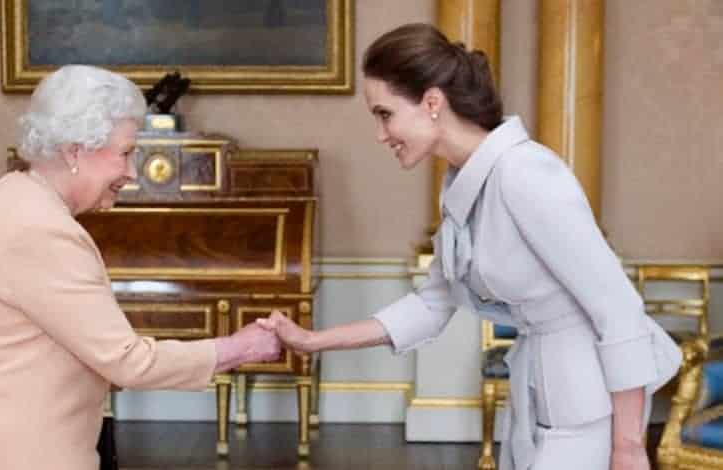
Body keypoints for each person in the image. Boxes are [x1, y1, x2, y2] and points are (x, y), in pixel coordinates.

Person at [257, 23, 682, 470]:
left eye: (385, 114)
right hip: (539, 395)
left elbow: (618, 308)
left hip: (587, 404)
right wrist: (311, 341)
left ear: (432, 102)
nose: (381, 134)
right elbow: (431, 305)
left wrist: (628, 447)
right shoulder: (463, 186)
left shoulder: (525, 173)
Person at [0, 65, 280, 470]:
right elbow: (128, 361)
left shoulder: (12, 196)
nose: (131, 173)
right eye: (126, 153)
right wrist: (239, 348)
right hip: (21, 450)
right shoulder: (40, 229)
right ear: (75, 151)